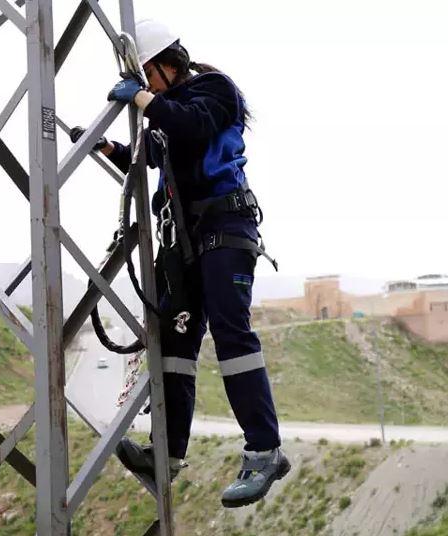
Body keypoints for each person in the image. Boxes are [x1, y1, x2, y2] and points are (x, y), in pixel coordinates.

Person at [72, 19, 289, 508]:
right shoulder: (164, 111)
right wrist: (106, 147)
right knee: (175, 345)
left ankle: (264, 450)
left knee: (232, 334)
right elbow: (149, 154)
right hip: (187, 243)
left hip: (225, 228)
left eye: (149, 75)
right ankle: (166, 454)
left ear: (170, 64)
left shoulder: (214, 89)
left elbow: (189, 123)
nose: (146, 86)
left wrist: (144, 101)